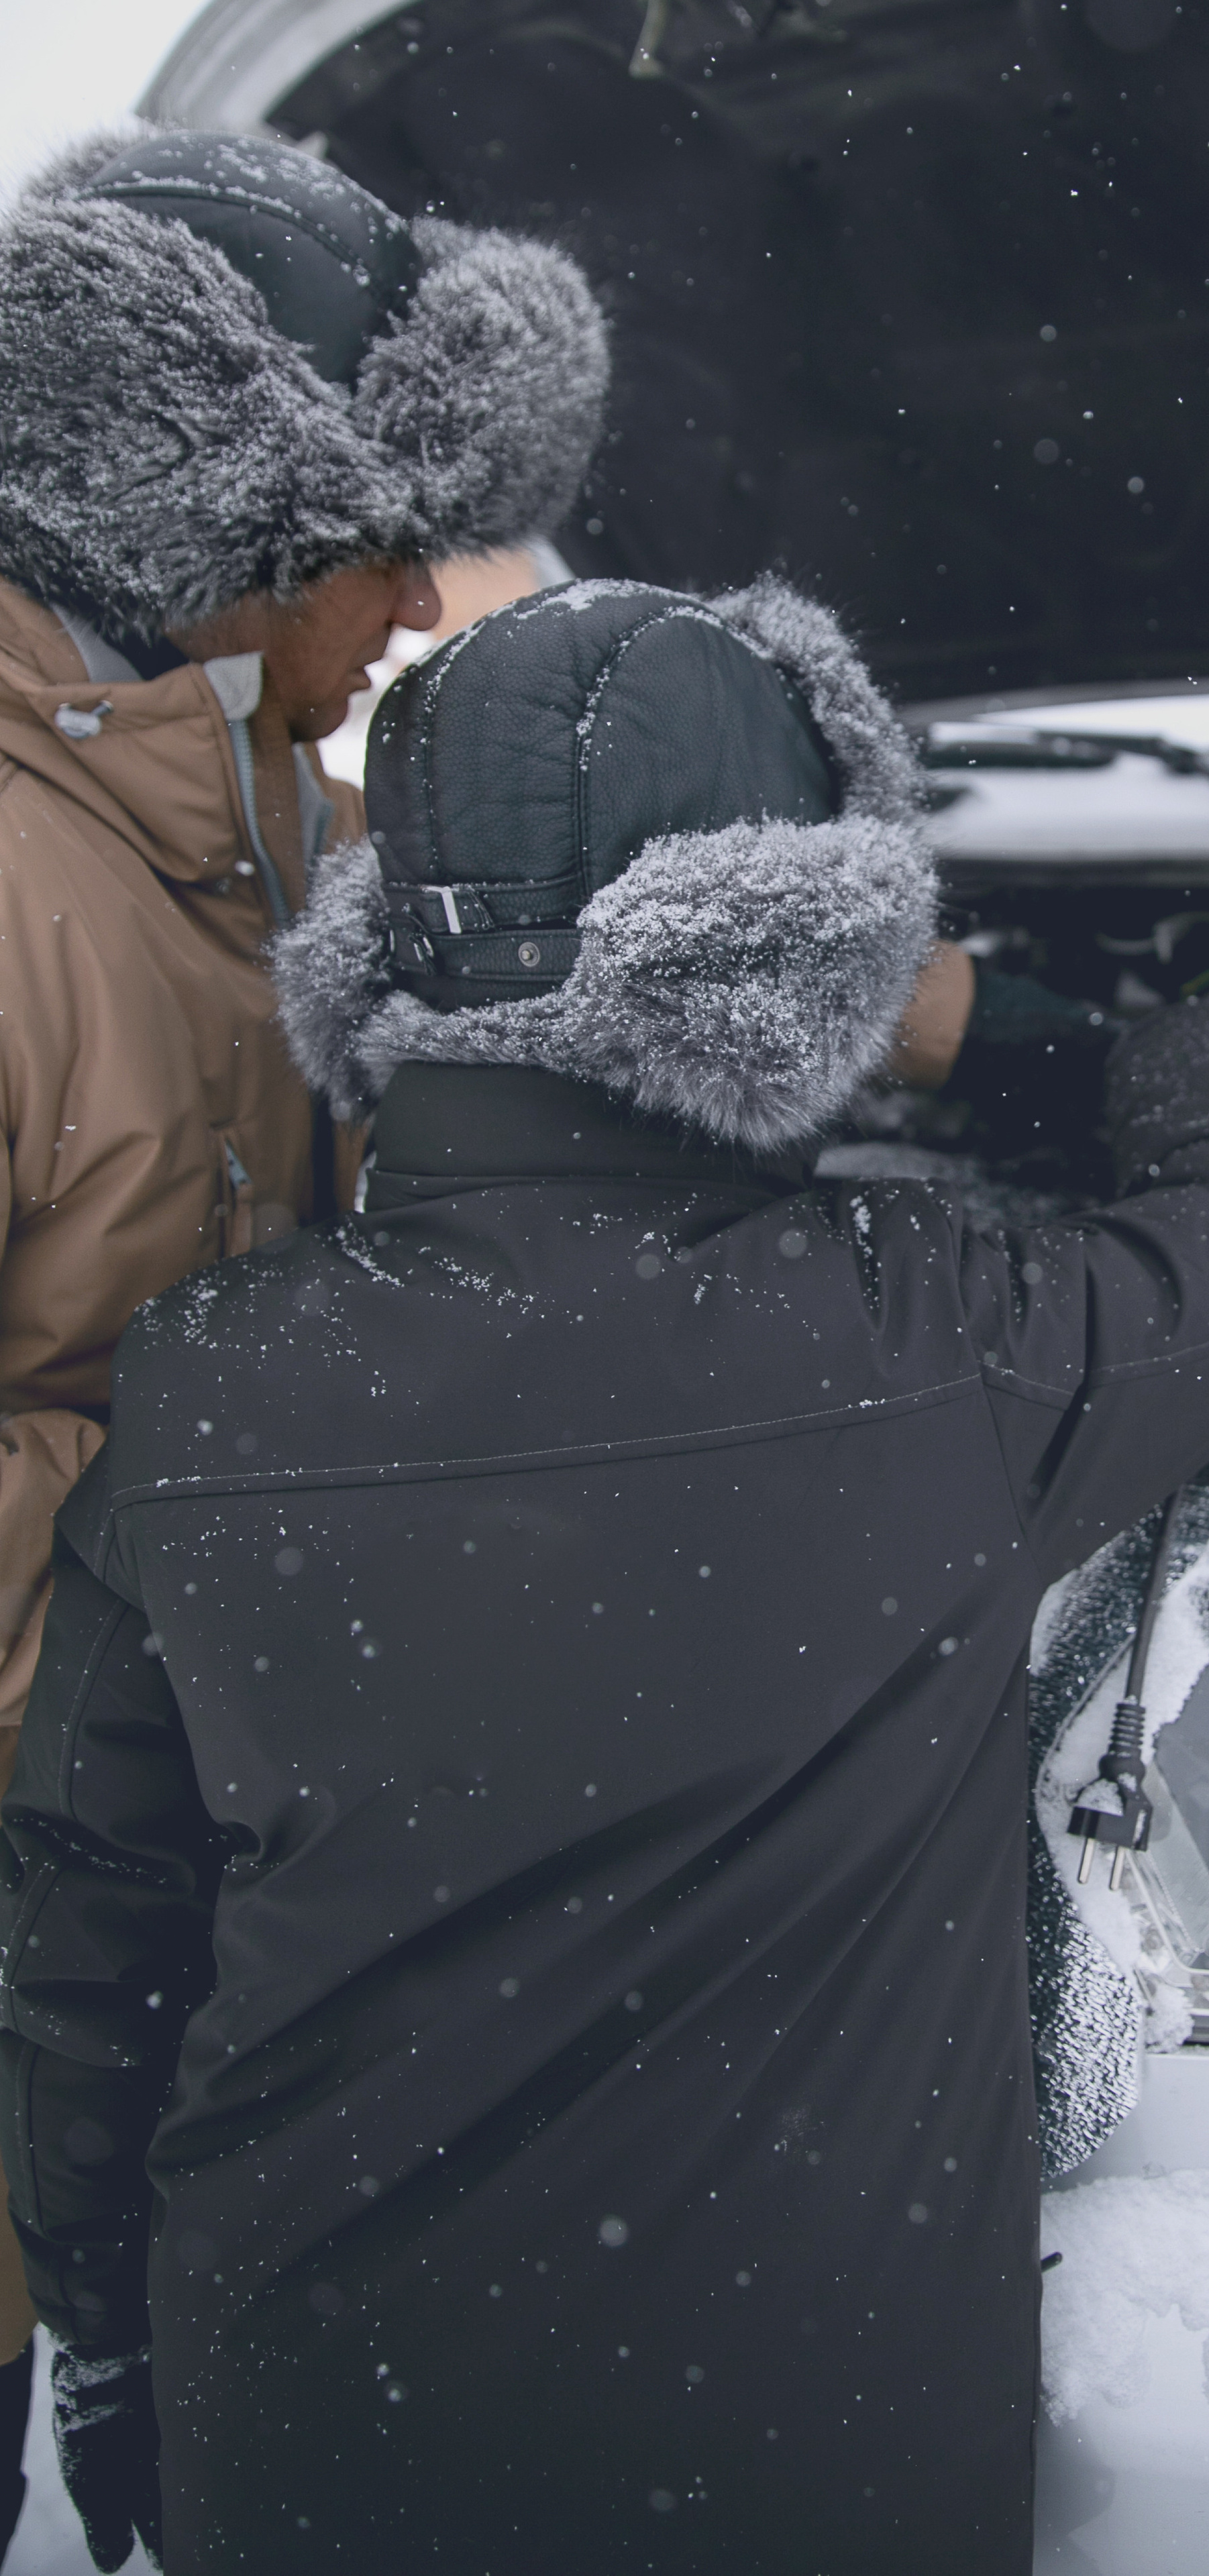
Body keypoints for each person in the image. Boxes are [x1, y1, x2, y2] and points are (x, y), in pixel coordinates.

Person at [0, 574, 1209, 2574]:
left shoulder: (210, 1387)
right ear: (803, 952)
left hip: (317, 2442)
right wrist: (1034, 1039)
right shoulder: (948, 1341)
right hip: (814, 2466)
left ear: (385, 952)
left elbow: (90, 1943)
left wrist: (110, 2348)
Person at [0, 123, 609, 2557]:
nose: (431, 600)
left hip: (133, 1972)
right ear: (202, 524)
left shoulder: (278, 825)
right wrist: (250, 1532)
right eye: (391, 537)